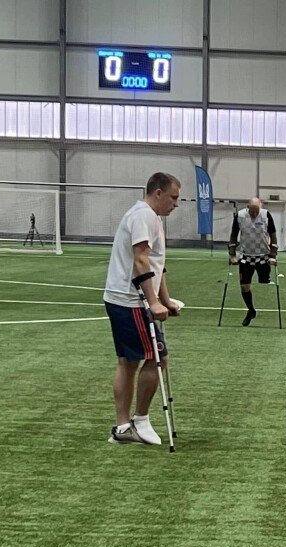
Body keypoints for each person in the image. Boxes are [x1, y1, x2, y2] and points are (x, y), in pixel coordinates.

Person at [103, 172, 182, 445]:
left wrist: (165, 300)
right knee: (158, 357)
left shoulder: (152, 218)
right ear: (158, 193)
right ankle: (140, 419)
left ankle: (123, 427)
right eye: (173, 197)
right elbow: (140, 261)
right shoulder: (143, 216)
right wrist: (153, 302)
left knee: (129, 361)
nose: (176, 204)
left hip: (124, 298)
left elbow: (157, 264)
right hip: (130, 300)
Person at [229, 197, 279, 325]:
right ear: (248, 207)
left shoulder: (266, 215)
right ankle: (251, 310)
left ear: (260, 207)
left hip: (263, 256)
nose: (255, 214)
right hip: (246, 256)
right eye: (252, 211)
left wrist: (273, 255)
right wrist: (232, 254)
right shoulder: (240, 216)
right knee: (244, 286)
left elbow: (273, 235)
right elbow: (234, 235)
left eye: (257, 211)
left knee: (264, 281)